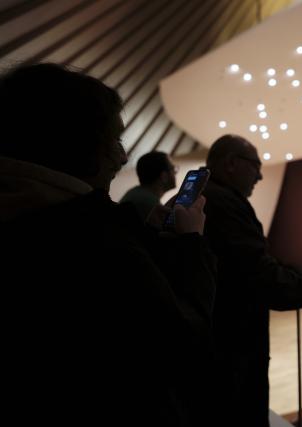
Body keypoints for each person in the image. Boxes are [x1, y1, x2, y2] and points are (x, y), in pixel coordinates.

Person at [0, 63, 217, 426]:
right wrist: (191, 242)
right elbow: (178, 342)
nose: (122, 156)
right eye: (113, 141)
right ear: (75, 143)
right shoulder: (89, 236)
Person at [199, 134, 302, 427]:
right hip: (231, 345)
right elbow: (254, 271)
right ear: (232, 163)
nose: (259, 175)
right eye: (255, 165)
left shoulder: (201, 197)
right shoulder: (223, 204)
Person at [120, 151, 178, 221]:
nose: (175, 173)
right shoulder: (149, 203)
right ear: (164, 176)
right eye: (173, 169)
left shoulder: (136, 193)